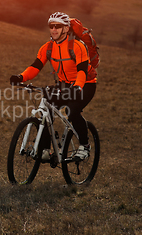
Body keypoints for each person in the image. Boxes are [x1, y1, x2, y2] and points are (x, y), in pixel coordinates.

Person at [9, 12, 97, 160]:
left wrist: (77, 87)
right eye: (51, 26)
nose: (54, 29)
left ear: (66, 29)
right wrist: (21, 77)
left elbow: (82, 71)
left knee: (72, 111)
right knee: (46, 109)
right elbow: (35, 67)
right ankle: (45, 150)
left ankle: (84, 146)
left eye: (58, 26)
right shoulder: (47, 48)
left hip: (85, 85)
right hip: (64, 85)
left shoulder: (77, 46)